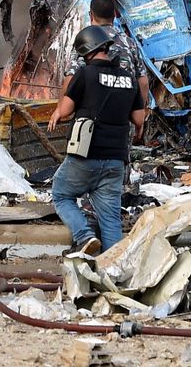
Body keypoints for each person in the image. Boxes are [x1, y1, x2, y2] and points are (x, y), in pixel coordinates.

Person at [48, 24, 146, 254]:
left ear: (87, 51)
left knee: (61, 194)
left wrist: (57, 111)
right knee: (110, 216)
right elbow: (139, 118)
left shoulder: (85, 73)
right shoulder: (128, 78)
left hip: (85, 155)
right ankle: (114, 268)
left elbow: (67, 109)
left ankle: (84, 236)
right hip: (116, 159)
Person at [60, 0, 149, 107]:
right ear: (114, 15)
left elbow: (71, 76)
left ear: (91, 15)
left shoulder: (86, 40)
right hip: (124, 115)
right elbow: (143, 82)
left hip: (93, 115)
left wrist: (59, 109)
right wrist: (141, 111)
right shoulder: (129, 43)